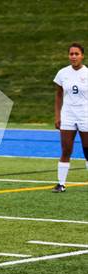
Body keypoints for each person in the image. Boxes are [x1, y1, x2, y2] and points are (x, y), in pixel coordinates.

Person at [52, 42, 88, 193]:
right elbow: (59, 95)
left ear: (82, 56)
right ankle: (61, 184)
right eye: (71, 54)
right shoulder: (62, 73)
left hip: (85, 115)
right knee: (66, 149)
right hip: (68, 115)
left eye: (76, 54)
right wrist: (57, 115)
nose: (73, 56)